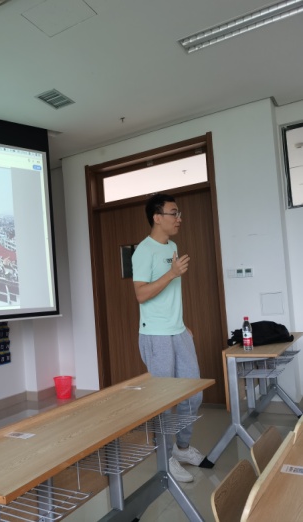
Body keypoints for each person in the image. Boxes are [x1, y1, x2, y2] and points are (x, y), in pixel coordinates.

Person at [131, 193, 204, 483]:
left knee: (193, 394)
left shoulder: (172, 246)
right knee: (164, 402)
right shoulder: (143, 251)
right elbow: (141, 294)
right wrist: (172, 273)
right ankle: (165, 460)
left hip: (178, 332)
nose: (179, 219)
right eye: (174, 213)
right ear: (157, 217)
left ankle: (182, 449)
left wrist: (182, 325)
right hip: (155, 335)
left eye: (179, 213)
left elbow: (170, 296)